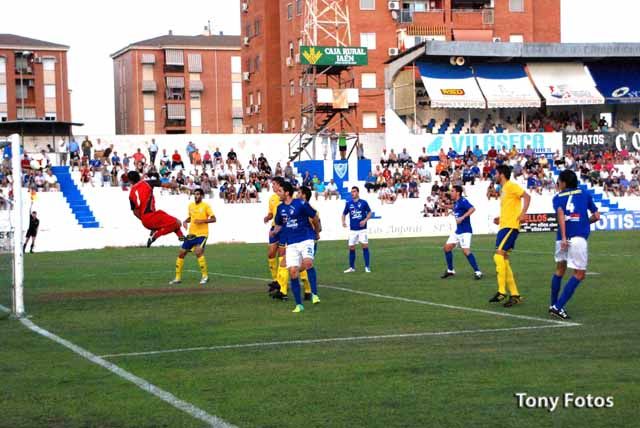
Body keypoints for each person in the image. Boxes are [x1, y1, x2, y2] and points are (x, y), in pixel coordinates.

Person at [549, 170, 600, 320]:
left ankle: (553, 304)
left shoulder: (557, 197)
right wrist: (584, 223)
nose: (558, 184)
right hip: (577, 238)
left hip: (561, 239)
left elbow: (560, 214)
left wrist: (564, 237)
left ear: (564, 183)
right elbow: (596, 216)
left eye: (559, 181)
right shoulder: (585, 194)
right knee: (579, 273)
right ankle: (558, 307)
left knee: (559, 270)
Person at [271, 181, 321, 312]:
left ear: (287, 193)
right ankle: (299, 305)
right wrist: (274, 231)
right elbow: (279, 224)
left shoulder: (300, 203)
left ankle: (314, 294)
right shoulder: (280, 208)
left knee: (308, 263)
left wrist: (317, 231)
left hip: (306, 238)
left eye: (280, 191)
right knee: (293, 272)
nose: (278, 193)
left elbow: (314, 216)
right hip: (291, 243)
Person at [490, 165, 531, 307]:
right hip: (504, 226)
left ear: (501, 174)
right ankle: (515, 295)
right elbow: (510, 208)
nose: (494, 176)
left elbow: (527, 196)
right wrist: (500, 219)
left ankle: (502, 291)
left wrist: (523, 213)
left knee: (498, 255)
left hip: (510, 227)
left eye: (496, 173)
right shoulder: (504, 189)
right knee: (504, 260)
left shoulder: (511, 185)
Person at [170, 189, 216, 286]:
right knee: (181, 253)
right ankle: (177, 278)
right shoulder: (190, 205)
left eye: (198, 194)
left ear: (202, 195)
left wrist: (202, 221)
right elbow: (191, 217)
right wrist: (185, 221)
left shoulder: (206, 206)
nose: (196, 196)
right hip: (191, 234)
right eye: (195, 194)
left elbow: (213, 219)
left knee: (198, 252)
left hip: (202, 234)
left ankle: (205, 276)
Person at [127, 171, 185, 247]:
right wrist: (180, 186)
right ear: (139, 176)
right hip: (151, 216)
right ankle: (155, 236)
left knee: (172, 224)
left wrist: (143, 219)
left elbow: (135, 212)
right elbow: (167, 184)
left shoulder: (131, 193)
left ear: (130, 181)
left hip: (145, 220)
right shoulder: (147, 183)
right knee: (178, 223)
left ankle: (184, 241)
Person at [441, 185, 482, 280]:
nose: (451, 193)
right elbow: (454, 207)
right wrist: (444, 205)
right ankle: (450, 270)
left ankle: (478, 271)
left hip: (465, 231)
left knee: (466, 251)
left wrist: (462, 217)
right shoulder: (457, 203)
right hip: (458, 231)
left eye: (452, 191)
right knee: (447, 248)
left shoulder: (463, 201)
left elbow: (472, 209)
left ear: (458, 193)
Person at [342, 186, 372, 273]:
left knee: (365, 246)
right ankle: (352, 267)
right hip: (353, 230)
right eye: (351, 192)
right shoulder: (349, 203)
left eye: (354, 191)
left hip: (362, 229)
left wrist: (365, 220)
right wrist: (343, 222)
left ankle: (367, 266)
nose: (352, 193)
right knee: (351, 247)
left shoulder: (363, 203)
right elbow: (343, 214)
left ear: (358, 192)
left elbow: (369, 212)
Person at [264, 177, 286, 295]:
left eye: (273, 184)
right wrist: (268, 217)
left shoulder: (285, 196)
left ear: (279, 185)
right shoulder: (272, 198)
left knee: (282, 255)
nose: (272, 186)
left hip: (284, 229)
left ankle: (281, 283)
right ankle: (275, 280)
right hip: (274, 228)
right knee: (271, 253)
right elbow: (271, 213)